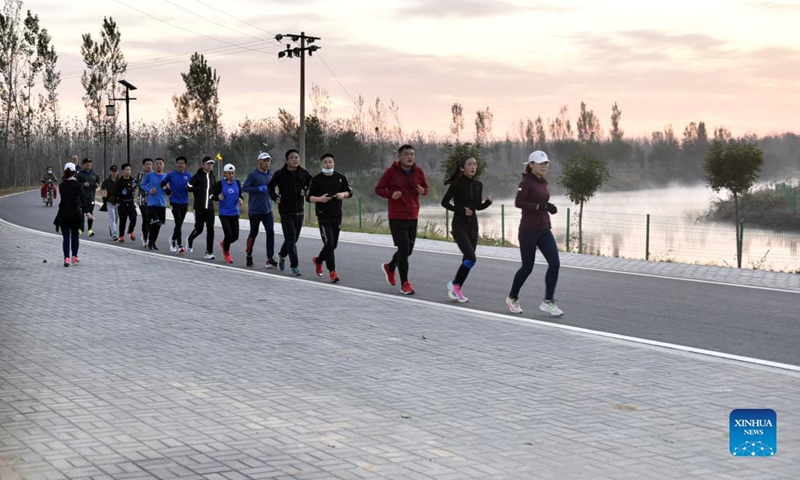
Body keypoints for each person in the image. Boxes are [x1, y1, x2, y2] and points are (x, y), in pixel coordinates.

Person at [505, 150, 563, 317]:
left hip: (544, 229)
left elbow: (540, 201)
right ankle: (512, 297)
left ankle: (548, 301)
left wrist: (548, 207)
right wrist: (539, 207)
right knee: (527, 267)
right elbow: (519, 202)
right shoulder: (526, 182)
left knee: (555, 264)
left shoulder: (543, 182)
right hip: (528, 231)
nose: (544, 166)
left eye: (546, 163)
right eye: (540, 163)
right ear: (531, 165)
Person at [375, 144, 429, 295]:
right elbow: (379, 189)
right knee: (404, 249)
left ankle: (390, 266)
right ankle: (405, 284)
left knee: (408, 250)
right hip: (397, 216)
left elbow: (426, 188)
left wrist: (422, 190)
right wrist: (391, 194)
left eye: (412, 154)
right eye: (406, 154)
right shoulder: (391, 172)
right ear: (399, 157)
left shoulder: (418, 171)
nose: (410, 157)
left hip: (413, 215)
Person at [441, 155, 493, 303]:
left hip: (473, 225)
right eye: (470, 164)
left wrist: (488, 203)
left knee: (468, 260)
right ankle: (455, 285)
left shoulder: (478, 185)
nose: (473, 167)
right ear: (462, 168)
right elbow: (444, 203)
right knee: (471, 257)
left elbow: (477, 206)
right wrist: (461, 210)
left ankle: (456, 287)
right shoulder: (457, 184)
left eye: (475, 164)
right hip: (459, 224)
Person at [307, 153, 353, 283]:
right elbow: (308, 197)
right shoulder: (316, 179)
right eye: (325, 162)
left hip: (337, 215)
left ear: (334, 163)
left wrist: (342, 195)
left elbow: (350, 192)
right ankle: (332, 272)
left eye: (330, 162)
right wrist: (320, 199)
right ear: (321, 164)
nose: (328, 164)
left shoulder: (340, 177)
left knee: (333, 245)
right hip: (323, 216)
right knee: (329, 243)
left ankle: (319, 260)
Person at [268, 149, 312, 276]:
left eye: (297, 157)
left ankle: (281, 255)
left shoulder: (304, 173)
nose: (295, 159)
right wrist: (275, 197)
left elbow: (311, 184)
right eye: (292, 157)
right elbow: (270, 187)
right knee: (291, 239)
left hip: (299, 211)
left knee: (293, 239)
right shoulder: (280, 174)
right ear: (287, 160)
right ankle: (295, 266)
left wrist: (306, 190)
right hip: (285, 211)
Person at [243, 152, 277, 268]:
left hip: (267, 210)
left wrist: (275, 197)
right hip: (255, 210)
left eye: (268, 161)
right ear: (259, 162)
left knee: (271, 233)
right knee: (254, 233)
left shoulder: (271, 175)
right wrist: (257, 189)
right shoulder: (253, 175)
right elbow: (245, 187)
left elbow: (271, 190)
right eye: (264, 160)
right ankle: (249, 255)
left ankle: (270, 258)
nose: (267, 163)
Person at [55, 162, 92, 266]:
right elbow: (83, 199)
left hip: (63, 213)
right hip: (75, 213)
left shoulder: (61, 185)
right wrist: (87, 212)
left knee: (66, 237)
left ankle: (66, 258)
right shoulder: (78, 185)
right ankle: (74, 256)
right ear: (74, 172)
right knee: (75, 235)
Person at [187, 156, 217, 260]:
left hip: (210, 208)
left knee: (211, 230)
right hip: (199, 207)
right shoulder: (197, 176)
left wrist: (215, 196)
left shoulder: (213, 177)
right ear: (203, 164)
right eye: (208, 163)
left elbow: (215, 190)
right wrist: (198, 189)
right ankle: (190, 239)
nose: (210, 166)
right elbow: (188, 187)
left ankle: (209, 252)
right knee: (199, 229)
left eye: (211, 164)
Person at [213, 163, 244, 264]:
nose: (231, 175)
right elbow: (212, 195)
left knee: (235, 236)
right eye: (229, 173)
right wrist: (218, 197)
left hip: (235, 213)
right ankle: (227, 254)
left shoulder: (237, 183)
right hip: (224, 213)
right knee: (228, 234)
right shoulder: (220, 184)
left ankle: (224, 244)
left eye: (232, 173)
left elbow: (241, 195)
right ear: (224, 174)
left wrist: (241, 200)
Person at [163, 156, 192, 253]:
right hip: (174, 201)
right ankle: (179, 244)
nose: (180, 165)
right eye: (178, 163)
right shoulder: (171, 175)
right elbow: (162, 183)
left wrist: (191, 189)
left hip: (184, 202)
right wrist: (167, 191)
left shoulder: (188, 176)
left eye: (182, 163)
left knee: (180, 224)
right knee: (178, 223)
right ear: (176, 164)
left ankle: (172, 239)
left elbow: (193, 186)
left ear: (185, 165)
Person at [139, 158, 168, 250]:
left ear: (163, 165)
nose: (159, 165)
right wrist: (149, 190)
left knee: (158, 225)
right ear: (155, 165)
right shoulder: (150, 175)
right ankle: (149, 241)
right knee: (154, 223)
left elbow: (169, 190)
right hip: (151, 204)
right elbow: (142, 185)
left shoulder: (166, 176)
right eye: (157, 164)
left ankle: (153, 242)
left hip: (162, 204)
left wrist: (166, 188)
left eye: (160, 164)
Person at [75, 158, 100, 236]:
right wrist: (83, 184)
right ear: (83, 165)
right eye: (86, 163)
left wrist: (97, 184)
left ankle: (90, 230)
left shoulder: (94, 173)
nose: (88, 164)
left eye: (89, 163)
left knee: (90, 213)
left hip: (91, 197)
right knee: (81, 213)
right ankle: (80, 229)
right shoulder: (80, 174)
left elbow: (98, 181)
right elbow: (76, 184)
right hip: (82, 197)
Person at [114, 163, 137, 243]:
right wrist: (121, 192)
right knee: (123, 220)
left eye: (129, 170)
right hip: (122, 203)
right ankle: (121, 236)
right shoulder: (119, 182)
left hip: (130, 202)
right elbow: (115, 193)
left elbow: (136, 188)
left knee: (133, 218)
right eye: (126, 170)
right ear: (123, 171)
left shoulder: (133, 180)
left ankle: (130, 231)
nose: (128, 171)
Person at [135, 158, 154, 247]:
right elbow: (134, 183)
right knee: (145, 219)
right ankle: (145, 237)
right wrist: (138, 185)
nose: (149, 166)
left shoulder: (155, 175)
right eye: (147, 164)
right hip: (142, 200)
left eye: (150, 164)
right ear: (143, 166)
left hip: (152, 200)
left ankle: (147, 234)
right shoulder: (140, 174)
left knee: (151, 220)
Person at [99, 165, 120, 240]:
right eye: (113, 171)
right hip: (110, 201)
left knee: (116, 218)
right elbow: (101, 189)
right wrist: (103, 197)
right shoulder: (107, 181)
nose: (114, 173)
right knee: (112, 218)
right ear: (110, 172)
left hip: (118, 201)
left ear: (118, 172)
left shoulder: (120, 180)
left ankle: (111, 227)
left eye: (116, 171)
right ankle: (114, 233)